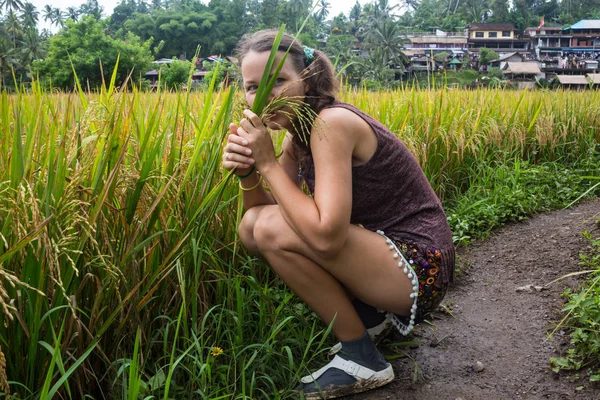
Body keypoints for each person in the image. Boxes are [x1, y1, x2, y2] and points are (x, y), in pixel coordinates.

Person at [222, 29, 455, 399]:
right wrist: (250, 174)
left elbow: (325, 236)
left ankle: (362, 358)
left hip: (419, 266)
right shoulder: (297, 134)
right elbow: (263, 216)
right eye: (252, 87)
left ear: (308, 78)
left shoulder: (331, 123)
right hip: (387, 258)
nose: (262, 95)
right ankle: (371, 319)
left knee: (269, 229)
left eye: (278, 81)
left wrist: (266, 164)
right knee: (254, 228)